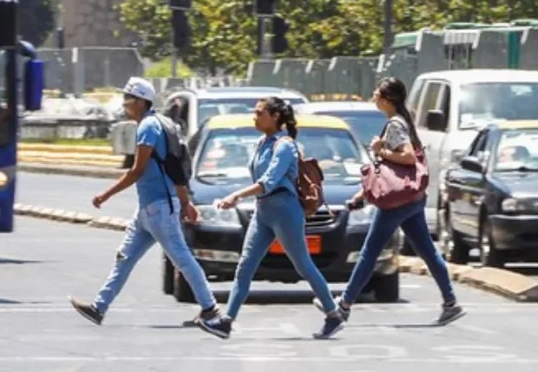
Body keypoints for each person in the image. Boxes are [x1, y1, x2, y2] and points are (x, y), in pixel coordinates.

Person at [69, 77, 222, 332]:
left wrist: (105, 195)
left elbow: (137, 170)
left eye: (128, 99)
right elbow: (173, 166)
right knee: (124, 257)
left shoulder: (149, 127)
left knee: (182, 258)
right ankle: (99, 307)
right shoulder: (158, 123)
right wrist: (185, 202)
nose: (125, 103)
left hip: (159, 207)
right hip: (149, 209)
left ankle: (210, 309)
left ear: (141, 101)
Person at [313, 77, 465, 325]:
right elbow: (388, 171)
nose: (373, 95)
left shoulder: (395, 125)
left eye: (377, 93)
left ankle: (343, 305)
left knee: (369, 253)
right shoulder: (402, 121)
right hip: (411, 198)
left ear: (387, 99)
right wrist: (361, 196)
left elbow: (406, 159)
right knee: (427, 251)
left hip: (397, 203)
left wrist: (379, 149)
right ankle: (450, 302)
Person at [197, 97, 347, 340]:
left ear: (275, 116)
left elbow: (268, 181)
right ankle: (226, 321)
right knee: (245, 266)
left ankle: (333, 314)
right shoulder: (261, 142)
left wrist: (236, 195)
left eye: (259, 113)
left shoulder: (285, 146)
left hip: (285, 210)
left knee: (303, 265)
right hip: (263, 211)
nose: (254, 117)